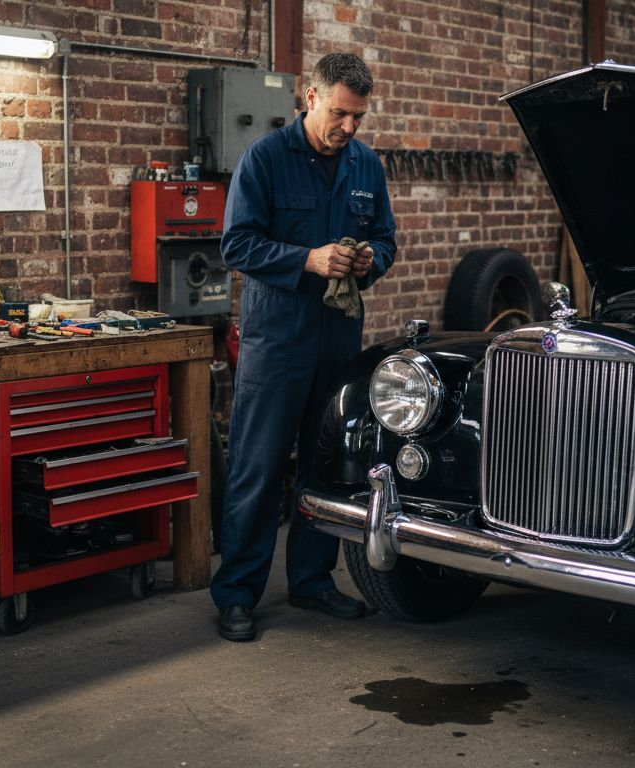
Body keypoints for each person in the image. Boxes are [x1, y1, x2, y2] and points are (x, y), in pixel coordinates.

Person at [210, 52, 397, 642]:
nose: (349, 128)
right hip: (277, 341)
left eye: (359, 118)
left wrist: (371, 261)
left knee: (326, 466)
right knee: (258, 470)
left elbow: (387, 239)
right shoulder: (264, 159)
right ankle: (237, 594)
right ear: (309, 97)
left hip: (338, 340)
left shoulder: (365, 166)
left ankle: (312, 582)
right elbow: (236, 246)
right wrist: (307, 260)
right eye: (340, 113)